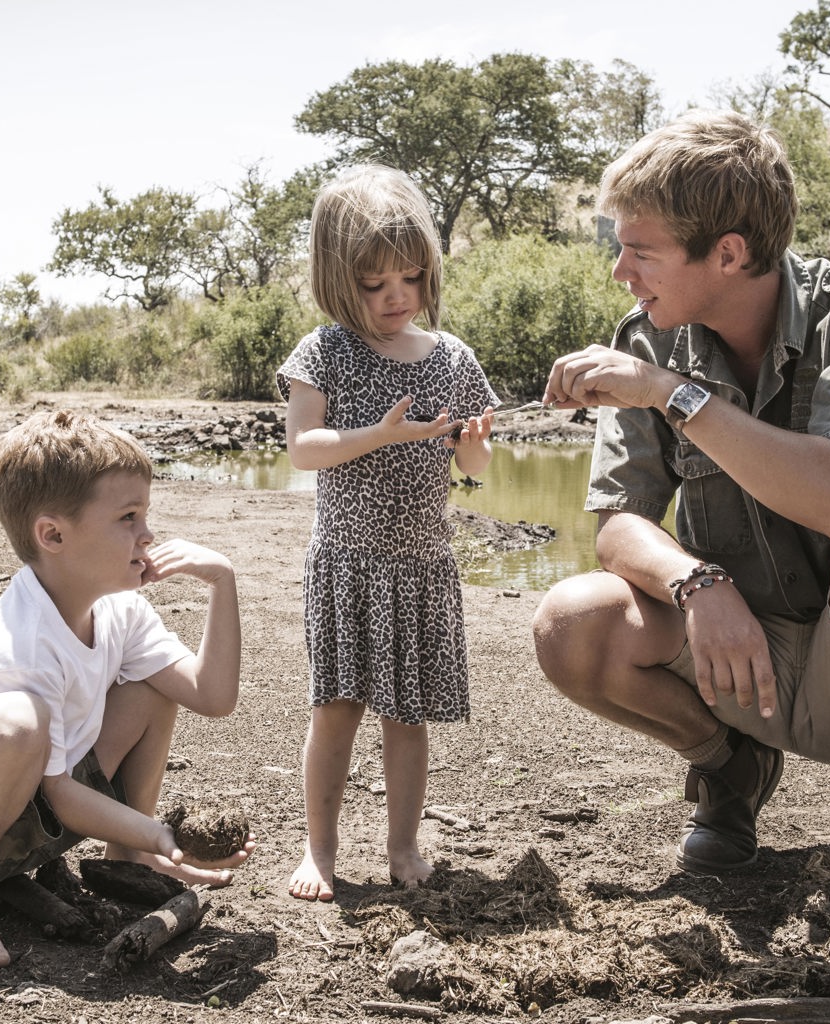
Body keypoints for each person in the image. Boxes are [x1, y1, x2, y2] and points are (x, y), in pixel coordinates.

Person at [531, 110, 830, 879]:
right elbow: (618, 525)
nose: (621, 272)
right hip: (735, 662)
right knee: (572, 620)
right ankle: (730, 768)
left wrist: (675, 396)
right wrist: (698, 585)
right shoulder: (646, 337)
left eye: (640, 251)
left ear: (729, 253)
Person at [0, 410, 253, 970]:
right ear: (54, 534)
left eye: (146, 514)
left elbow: (211, 696)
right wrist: (168, 835)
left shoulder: (121, 612)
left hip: (21, 816)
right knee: (17, 722)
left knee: (151, 688)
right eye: (128, 517)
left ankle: (128, 857)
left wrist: (222, 582)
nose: (148, 534)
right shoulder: (15, 643)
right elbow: (63, 796)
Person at [276, 164, 498, 901]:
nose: (395, 296)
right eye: (374, 285)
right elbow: (303, 449)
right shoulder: (324, 352)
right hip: (348, 564)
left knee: (408, 718)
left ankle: (403, 849)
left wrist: (473, 440)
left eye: (409, 277)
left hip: (421, 566)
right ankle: (321, 851)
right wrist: (380, 433)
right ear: (339, 279)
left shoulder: (452, 357)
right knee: (335, 712)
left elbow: (474, 462)